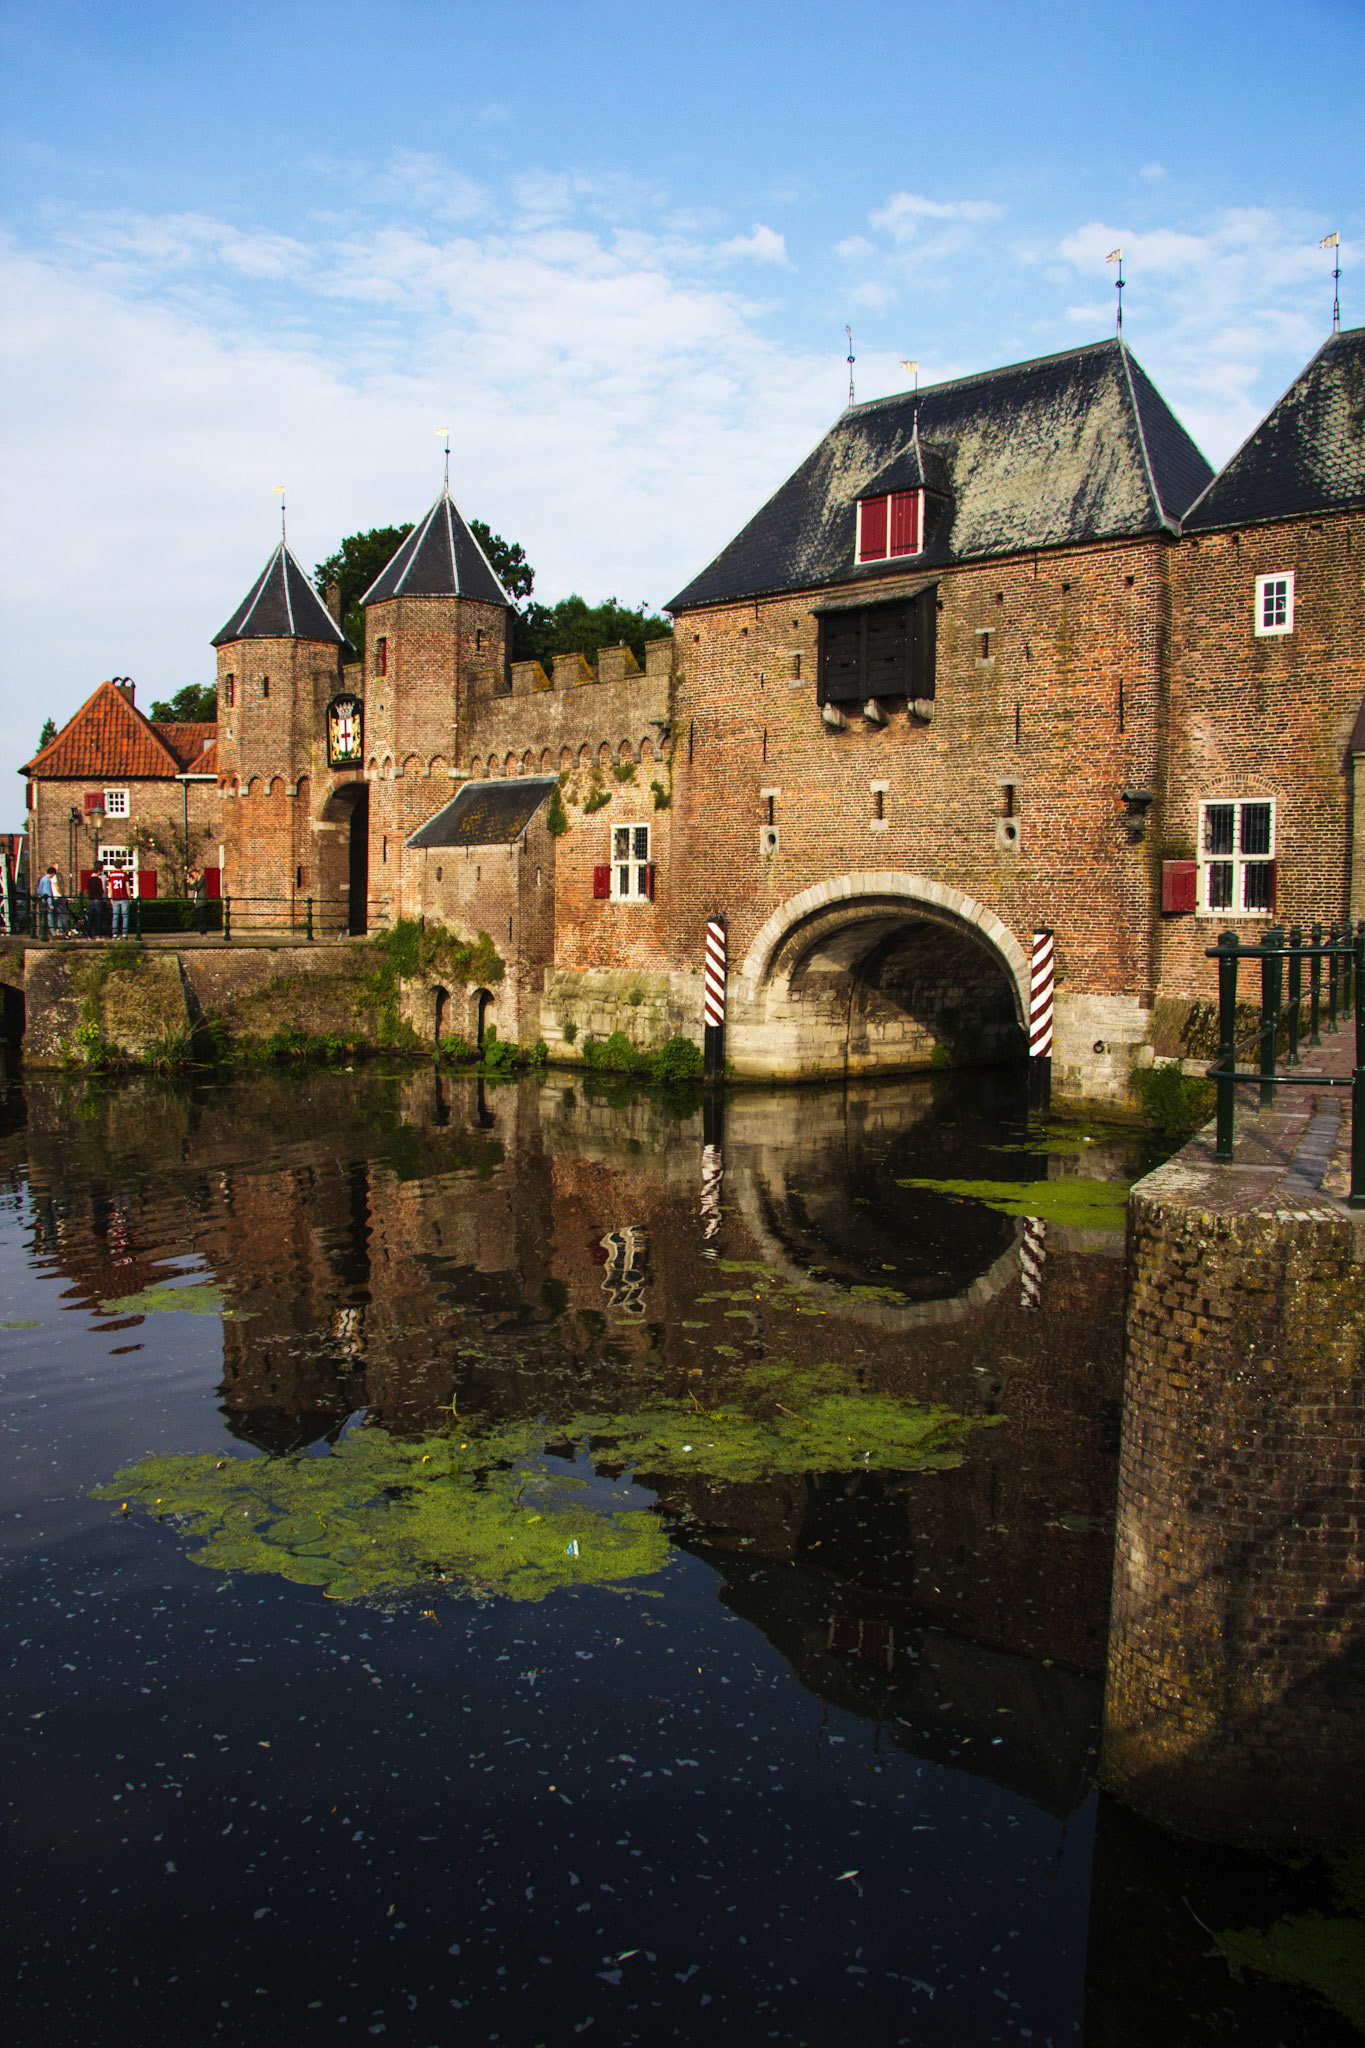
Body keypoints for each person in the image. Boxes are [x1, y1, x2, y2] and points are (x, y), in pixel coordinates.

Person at [105, 862, 131, 938]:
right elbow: (127, 887)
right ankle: (125, 933)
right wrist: (129, 897)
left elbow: (110, 888)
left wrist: (110, 897)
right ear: (121, 866)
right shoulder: (124, 875)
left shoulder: (111, 876)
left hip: (115, 898)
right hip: (124, 897)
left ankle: (115, 933)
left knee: (115, 916)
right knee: (125, 916)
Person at [84, 867, 107, 939]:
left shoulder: (89, 880)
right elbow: (101, 890)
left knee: (91, 917)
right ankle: (98, 933)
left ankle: (89, 933)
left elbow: (88, 889)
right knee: (99, 917)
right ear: (98, 871)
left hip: (91, 900)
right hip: (98, 900)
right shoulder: (98, 880)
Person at [188, 866, 209, 936]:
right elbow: (191, 888)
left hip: (202, 902)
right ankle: (201, 932)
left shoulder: (202, 879)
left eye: (193, 875)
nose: (193, 876)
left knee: (202, 917)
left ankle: (204, 932)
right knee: (198, 918)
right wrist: (189, 882)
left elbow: (196, 888)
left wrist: (192, 882)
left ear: (197, 873)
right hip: (197, 902)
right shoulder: (196, 881)